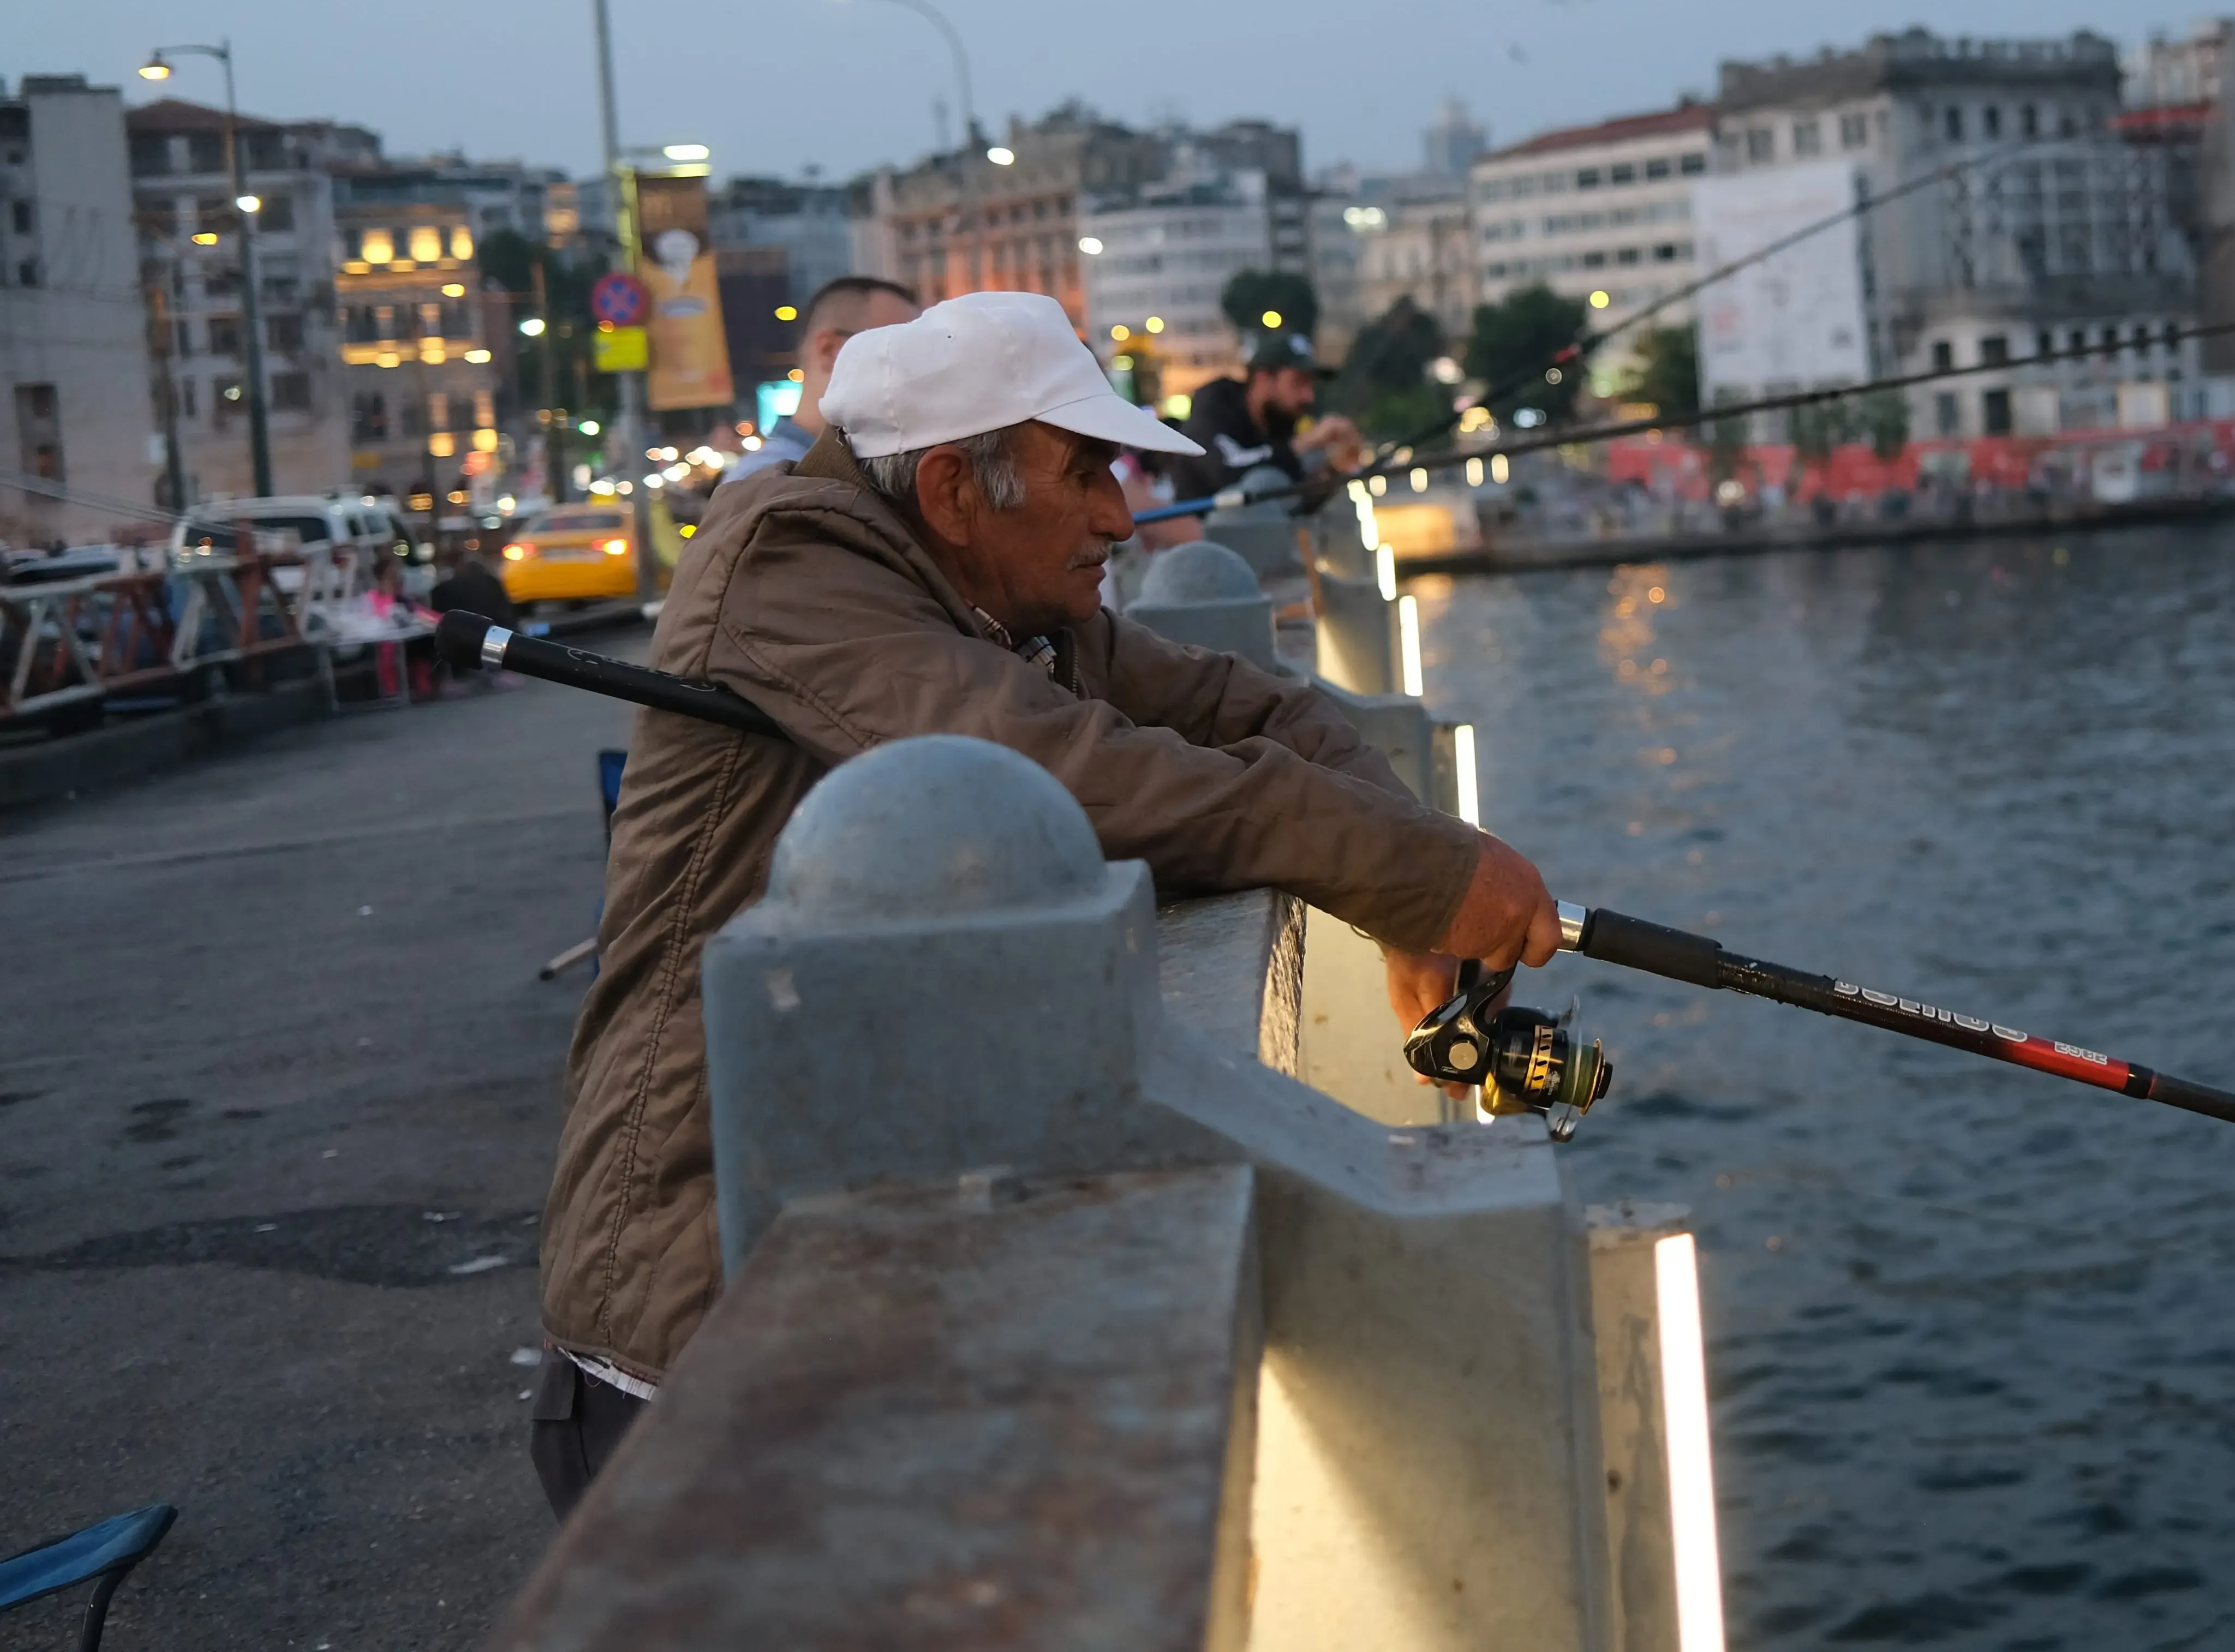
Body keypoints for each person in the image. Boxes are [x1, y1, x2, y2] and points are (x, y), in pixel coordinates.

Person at [528, 290, 1561, 1518]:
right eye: (1084, 474)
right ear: (959, 493)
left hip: (874, 1283)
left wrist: (1411, 882)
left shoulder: (997, 597)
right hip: (693, 1341)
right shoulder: (788, 564)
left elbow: (1262, 707)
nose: (1121, 515)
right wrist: (1428, 875)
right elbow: (1074, 776)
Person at [723, 275, 922, 486]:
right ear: (831, 350)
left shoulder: (803, 475)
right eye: (902, 353)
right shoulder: (772, 484)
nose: (918, 375)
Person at [1153, 326, 1366, 506]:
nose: (1309, 396)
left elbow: (1289, 502)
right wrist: (1303, 444)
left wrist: (1335, 470)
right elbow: (1230, 476)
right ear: (1264, 378)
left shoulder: (1278, 424)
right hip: (1202, 545)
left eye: (1311, 385)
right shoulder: (1215, 406)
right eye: (1299, 382)